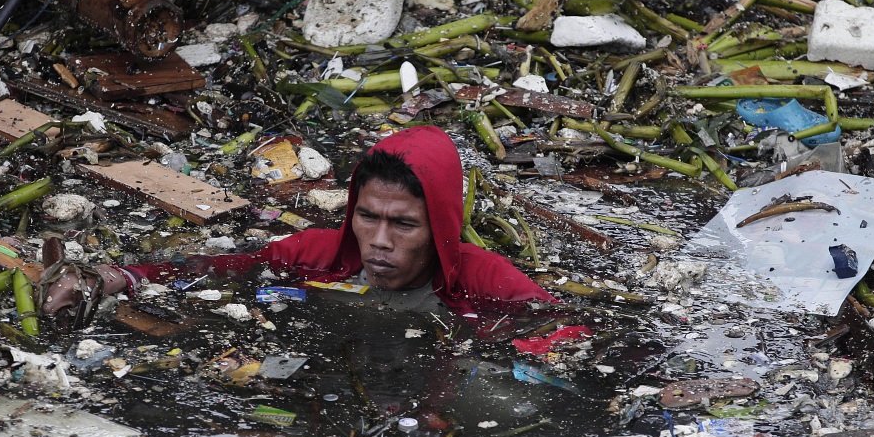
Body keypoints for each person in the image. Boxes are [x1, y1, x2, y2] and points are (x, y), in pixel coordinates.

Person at [41, 125, 558, 322]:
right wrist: (112, 277)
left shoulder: (483, 280)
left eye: (403, 225)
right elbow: (228, 266)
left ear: (441, 226)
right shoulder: (321, 254)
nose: (379, 242)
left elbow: (563, 329)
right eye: (367, 217)